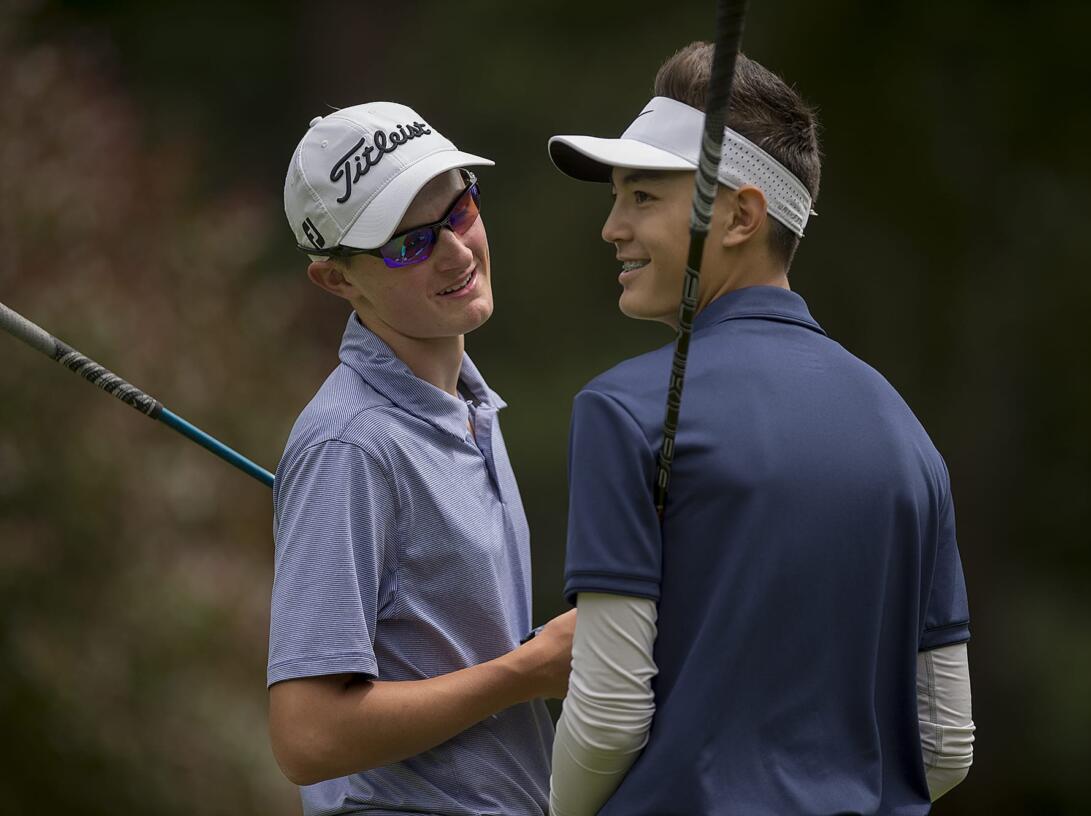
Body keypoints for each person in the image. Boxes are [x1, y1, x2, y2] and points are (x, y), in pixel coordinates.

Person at [545, 44, 975, 815]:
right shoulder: (910, 437)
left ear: (741, 215)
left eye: (643, 198)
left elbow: (608, 716)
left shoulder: (624, 411)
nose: (612, 227)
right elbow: (944, 741)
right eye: (617, 198)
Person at [269, 101, 572, 816]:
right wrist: (529, 670)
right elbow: (306, 738)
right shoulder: (350, 446)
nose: (457, 252)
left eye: (459, 208)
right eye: (408, 245)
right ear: (336, 280)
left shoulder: (469, 406)